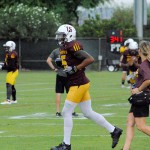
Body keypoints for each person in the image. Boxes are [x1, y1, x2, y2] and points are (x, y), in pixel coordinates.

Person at [50, 24, 123, 150]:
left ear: (69, 35)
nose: (59, 37)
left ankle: (66, 145)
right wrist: (62, 64)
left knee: (66, 112)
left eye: (62, 35)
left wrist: (75, 68)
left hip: (77, 83)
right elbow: (71, 61)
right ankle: (114, 130)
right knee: (88, 112)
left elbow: (90, 59)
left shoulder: (73, 45)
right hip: (79, 82)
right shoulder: (64, 46)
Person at [122, 40, 150, 150]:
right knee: (130, 123)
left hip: (142, 97)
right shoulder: (144, 64)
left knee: (141, 126)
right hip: (138, 97)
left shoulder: (144, 65)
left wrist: (138, 88)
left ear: (140, 51)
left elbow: (148, 80)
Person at [46, 48, 78, 117]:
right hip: (68, 74)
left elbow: (48, 60)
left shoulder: (56, 50)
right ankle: (71, 111)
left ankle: (57, 112)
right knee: (70, 93)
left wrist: (54, 69)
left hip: (59, 74)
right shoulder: (70, 50)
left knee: (58, 93)